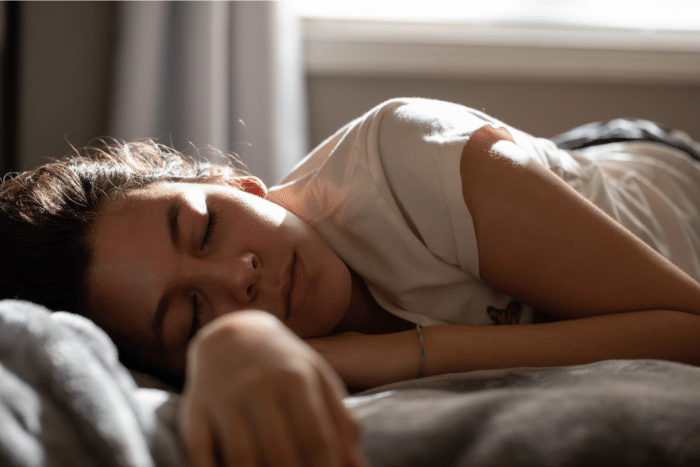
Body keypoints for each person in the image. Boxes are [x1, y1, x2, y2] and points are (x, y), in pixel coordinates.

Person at [3, 97, 700, 467]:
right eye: (190, 312)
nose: (237, 277)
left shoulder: (408, 160)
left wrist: (402, 354)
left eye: (207, 226)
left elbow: (686, 330)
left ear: (236, 183)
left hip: (660, 178)